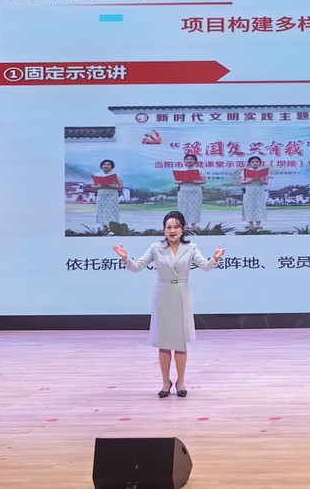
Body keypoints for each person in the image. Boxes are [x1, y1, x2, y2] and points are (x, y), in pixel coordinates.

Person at [112, 211, 226, 398]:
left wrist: (215, 259)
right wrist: (125, 258)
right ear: (164, 230)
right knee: (164, 343)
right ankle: (166, 382)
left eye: (176, 227)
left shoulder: (191, 248)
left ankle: (180, 382)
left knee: (180, 343)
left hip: (182, 295)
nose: (172, 230)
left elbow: (206, 267)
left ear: (183, 229)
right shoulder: (155, 248)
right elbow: (137, 267)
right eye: (169, 227)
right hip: (163, 296)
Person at [175, 153, 206, 232]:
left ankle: (193, 225)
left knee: (195, 208)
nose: (189, 160)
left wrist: (195, 182)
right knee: (183, 208)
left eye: (191, 159)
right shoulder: (181, 170)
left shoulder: (199, 170)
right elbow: (176, 181)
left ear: (195, 161)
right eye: (187, 159)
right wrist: (183, 181)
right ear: (184, 161)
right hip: (183, 191)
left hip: (195, 191)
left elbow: (204, 181)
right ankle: (185, 224)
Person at [92, 159, 124, 230]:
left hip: (112, 197)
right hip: (101, 196)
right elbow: (93, 187)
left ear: (112, 166)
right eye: (104, 164)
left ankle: (112, 229)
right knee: (102, 212)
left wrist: (110, 186)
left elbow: (121, 187)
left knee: (112, 212)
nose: (105, 166)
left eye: (108, 164)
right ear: (101, 166)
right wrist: (101, 186)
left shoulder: (117, 175)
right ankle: (104, 229)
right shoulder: (97, 175)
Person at [241, 155, 268, 230]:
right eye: (253, 162)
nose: (255, 163)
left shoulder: (263, 171)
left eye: (257, 162)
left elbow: (266, 182)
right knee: (249, 207)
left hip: (259, 191)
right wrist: (251, 180)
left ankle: (258, 226)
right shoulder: (245, 171)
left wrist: (260, 179)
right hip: (249, 191)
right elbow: (242, 182)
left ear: (260, 163)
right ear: (249, 163)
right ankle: (250, 225)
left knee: (259, 207)